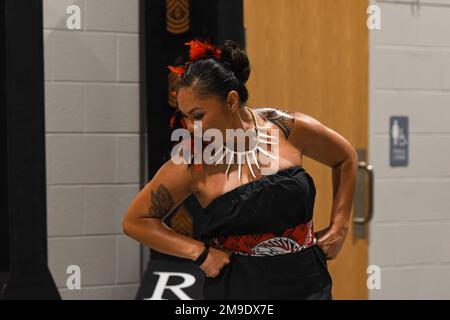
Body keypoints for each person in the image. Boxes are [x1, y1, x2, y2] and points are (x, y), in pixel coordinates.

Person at [122, 39, 358, 299]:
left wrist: (339, 226)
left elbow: (345, 158)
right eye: (185, 117)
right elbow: (136, 221)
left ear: (231, 102)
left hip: (308, 283)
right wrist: (198, 253)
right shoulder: (191, 161)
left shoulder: (287, 128)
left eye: (198, 116)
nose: (190, 126)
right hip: (240, 290)